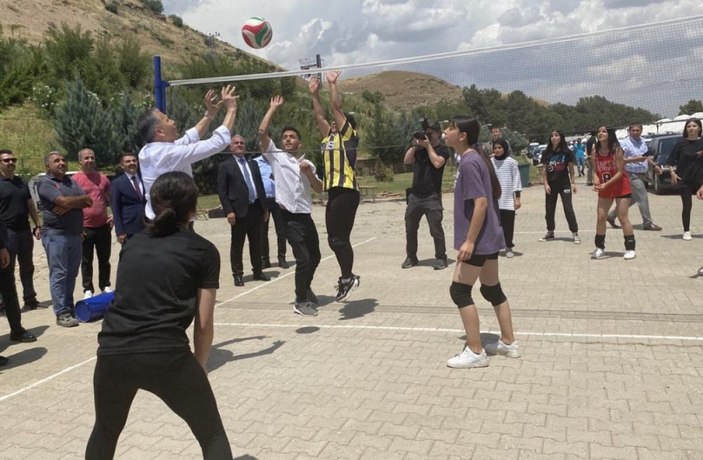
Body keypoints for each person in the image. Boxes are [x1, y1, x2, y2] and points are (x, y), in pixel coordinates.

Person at [86, 172, 232, 459]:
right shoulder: (203, 250)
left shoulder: (132, 245)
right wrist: (198, 368)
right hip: (166, 355)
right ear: (193, 209)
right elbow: (204, 325)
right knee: (211, 433)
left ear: (153, 204)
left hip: (113, 352)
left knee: (105, 430)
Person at [443, 117, 518, 369]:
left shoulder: (470, 161)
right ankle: (508, 343)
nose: (446, 131)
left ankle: (475, 351)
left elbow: (481, 203)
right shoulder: (476, 158)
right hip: (490, 236)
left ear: (462, 135)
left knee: (459, 290)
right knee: (491, 289)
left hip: (479, 239)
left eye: (451, 127)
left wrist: (469, 241)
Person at [259, 96, 323, 316]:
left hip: (305, 215)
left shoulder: (308, 164)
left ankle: (305, 286)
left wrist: (308, 173)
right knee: (303, 258)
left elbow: (319, 188)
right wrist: (272, 108)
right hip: (288, 217)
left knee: (315, 256)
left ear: (299, 143)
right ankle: (300, 300)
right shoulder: (276, 157)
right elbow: (262, 133)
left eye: (292, 137)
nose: (287, 140)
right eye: (285, 137)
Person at [137, 86, 238, 221]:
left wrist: (210, 115)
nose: (173, 121)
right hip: (172, 223)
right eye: (167, 120)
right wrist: (231, 109)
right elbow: (218, 142)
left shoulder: (148, 150)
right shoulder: (168, 154)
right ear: (159, 132)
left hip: (158, 217)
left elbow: (189, 139)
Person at [309, 71, 361, 301]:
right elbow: (320, 115)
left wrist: (332, 84)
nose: (332, 122)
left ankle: (348, 278)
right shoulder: (328, 139)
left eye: (337, 122)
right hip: (334, 191)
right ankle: (348, 276)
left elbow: (335, 109)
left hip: (347, 190)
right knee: (334, 240)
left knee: (339, 239)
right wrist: (313, 94)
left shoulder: (348, 136)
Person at [37, 151, 92, 327]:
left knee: (72, 273)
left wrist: (70, 204)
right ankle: (61, 312)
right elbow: (66, 201)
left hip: (75, 234)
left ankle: (68, 307)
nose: (61, 163)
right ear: (48, 166)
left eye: (63, 160)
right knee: (59, 274)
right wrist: (75, 202)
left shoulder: (71, 181)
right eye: (56, 161)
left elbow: (88, 201)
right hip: (56, 235)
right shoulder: (45, 183)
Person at [217, 134, 270, 287]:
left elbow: (259, 186)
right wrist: (229, 211)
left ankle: (258, 271)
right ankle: (237, 274)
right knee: (237, 244)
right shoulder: (226, 166)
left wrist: (264, 208)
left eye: (242, 142)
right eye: (236, 143)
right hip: (238, 211)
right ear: (230, 147)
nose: (240, 145)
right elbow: (222, 191)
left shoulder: (252, 164)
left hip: (255, 209)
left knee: (256, 243)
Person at [402, 119, 450, 270]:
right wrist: (415, 145)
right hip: (415, 196)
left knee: (435, 229)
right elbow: (407, 160)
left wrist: (428, 146)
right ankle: (411, 256)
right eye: (426, 132)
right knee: (410, 228)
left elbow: (437, 163)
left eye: (430, 133)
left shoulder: (443, 150)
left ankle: (441, 257)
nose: (427, 135)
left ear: (437, 134)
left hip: (432, 196)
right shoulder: (419, 149)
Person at [0, 151, 37, 344]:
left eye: (13, 159)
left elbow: (30, 203)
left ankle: (17, 329)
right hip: (7, 234)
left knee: (11, 283)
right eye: (7, 160)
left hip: (20, 232)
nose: (11, 163)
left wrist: (36, 223)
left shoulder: (20, 182)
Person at [72, 148, 113, 299]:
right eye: (86, 158)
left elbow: (111, 198)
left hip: (103, 225)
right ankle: (88, 289)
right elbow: (71, 205)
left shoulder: (103, 178)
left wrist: (113, 215)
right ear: (80, 161)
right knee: (86, 260)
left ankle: (105, 285)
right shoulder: (75, 180)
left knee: (104, 258)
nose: (89, 160)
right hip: (85, 227)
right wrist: (77, 226)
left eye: (92, 157)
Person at [606, 123, 662, 231]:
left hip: (642, 174)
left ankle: (611, 215)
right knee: (643, 197)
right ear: (629, 131)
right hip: (630, 174)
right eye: (633, 130)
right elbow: (618, 160)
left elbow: (645, 157)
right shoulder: (624, 144)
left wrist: (654, 165)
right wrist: (635, 159)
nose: (635, 132)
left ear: (641, 131)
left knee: (632, 199)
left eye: (638, 130)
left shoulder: (643, 142)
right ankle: (647, 223)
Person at [591, 126, 636, 260]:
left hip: (620, 186)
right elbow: (594, 169)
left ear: (609, 134)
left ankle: (630, 248)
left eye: (604, 131)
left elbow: (620, 172)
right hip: (605, 187)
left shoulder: (616, 150)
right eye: (599, 131)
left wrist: (606, 184)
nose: (600, 133)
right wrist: (596, 180)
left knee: (622, 218)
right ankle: (599, 247)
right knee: (601, 217)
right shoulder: (595, 151)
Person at [539, 130, 580, 244]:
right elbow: (544, 169)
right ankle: (550, 232)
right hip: (551, 185)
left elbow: (571, 169)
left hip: (564, 184)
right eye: (552, 136)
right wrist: (546, 183)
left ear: (561, 137)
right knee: (549, 210)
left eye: (556, 135)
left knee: (568, 209)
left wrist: (573, 183)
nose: (554, 137)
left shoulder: (567, 152)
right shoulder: (547, 152)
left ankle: (575, 232)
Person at [668, 118, 703, 241]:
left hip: (700, 179)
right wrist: (672, 172)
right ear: (686, 129)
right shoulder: (680, 144)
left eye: (694, 126)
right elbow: (670, 161)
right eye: (689, 126)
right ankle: (686, 231)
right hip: (685, 179)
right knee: (687, 205)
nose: (691, 128)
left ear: (699, 128)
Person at [254, 151, 289, 269]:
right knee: (262, 232)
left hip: (278, 200)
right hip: (263, 201)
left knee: (281, 230)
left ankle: (282, 257)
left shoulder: (277, 161)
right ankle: (265, 259)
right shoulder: (255, 162)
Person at [490, 139, 522, 258]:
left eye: (500, 148)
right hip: (494, 199)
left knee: (508, 225)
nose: (497, 150)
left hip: (507, 200)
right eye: (495, 148)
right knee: (494, 225)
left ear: (504, 148)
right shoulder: (490, 162)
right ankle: (495, 247)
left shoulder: (511, 162)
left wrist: (517, 198)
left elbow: (516, 180)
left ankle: (508, 246)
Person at [110, 152, 146, 244]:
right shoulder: (116, 183)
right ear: (122, 165)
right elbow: (116, 208)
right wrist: (119, 231)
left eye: (134, 160)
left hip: (148, 225)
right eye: (128, 161)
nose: (132, 163)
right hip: (129, 227)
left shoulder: (145, 179)